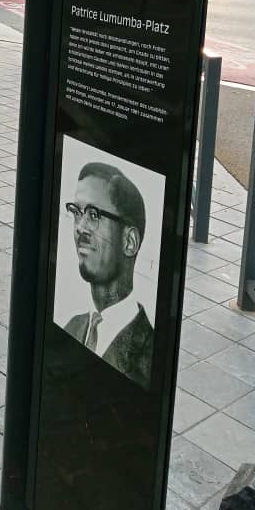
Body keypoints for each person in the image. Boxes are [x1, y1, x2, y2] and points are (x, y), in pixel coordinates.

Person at [63, 163, 154, 390]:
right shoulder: (73, 327)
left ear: (129, 241)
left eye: (94, 215)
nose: (80, 227)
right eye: (76, 212)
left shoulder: (149, 357)